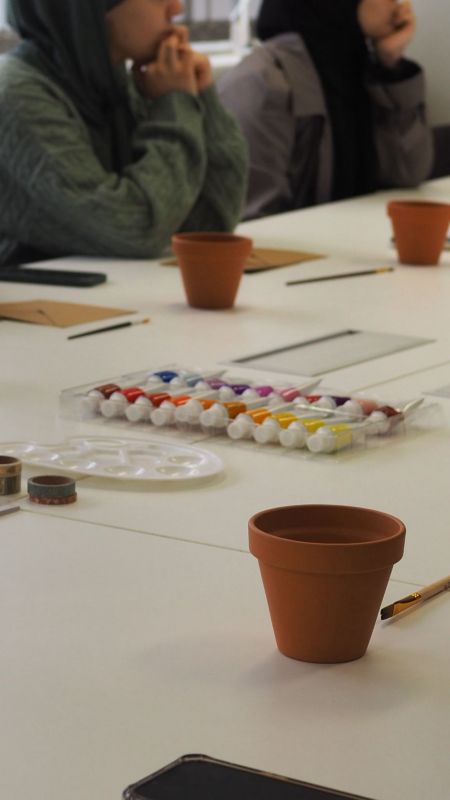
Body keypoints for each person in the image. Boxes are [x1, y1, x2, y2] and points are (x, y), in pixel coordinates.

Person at [0, 0, 248, 267]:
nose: (177, 8)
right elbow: (136, 230)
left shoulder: (117, 85)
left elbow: (211, 223)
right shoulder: (16, 96)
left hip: (117, 289)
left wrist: (201, 96)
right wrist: (175, 104)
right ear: (91, 10)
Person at [218, 0, 433, 220]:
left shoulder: (355, 66)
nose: (398, 2)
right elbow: (250, 222)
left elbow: (407, 174)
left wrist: (390, 65)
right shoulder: (262, 83)